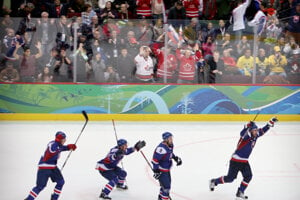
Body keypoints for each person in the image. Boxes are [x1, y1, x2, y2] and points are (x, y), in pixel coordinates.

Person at [209, 117, 278, 199]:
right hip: (236, 161)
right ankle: (214, 181)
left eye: (256, 130)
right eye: (254, 130)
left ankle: (240, 191)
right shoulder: (246, 136)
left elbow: (263, 130)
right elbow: (242, 133)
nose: (256, 132)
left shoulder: (255, 135)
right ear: (250, 131)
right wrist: (247, 126)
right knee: (230, 179)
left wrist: (270, 122)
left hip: (244, 161)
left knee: (248, 176)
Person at [24, 131, 77, 200]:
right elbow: (52, 150)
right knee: (40, 186)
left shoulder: (59, 145)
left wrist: (69, 147)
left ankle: (54, 198)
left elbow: (62, 148)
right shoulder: (53, 144)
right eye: (64, 139)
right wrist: (61, 148)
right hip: (44, 167)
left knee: (61, 182)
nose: (65, 140)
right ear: (59, 140)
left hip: (53, 167)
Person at [152, 132, 182, 200]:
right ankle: (163, 198)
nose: (171, 140)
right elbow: (155, 160)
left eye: (172, 138)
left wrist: (175, 158)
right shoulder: (161, 149)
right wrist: (156, 171)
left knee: (166, 186)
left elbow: (170, 153)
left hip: (167, 169)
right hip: (161, 170)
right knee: (166, 187)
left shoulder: (170, 145)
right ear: (165, 140)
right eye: (170, 138)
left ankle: (161, 197)